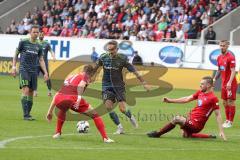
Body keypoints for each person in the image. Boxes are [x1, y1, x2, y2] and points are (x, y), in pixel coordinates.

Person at [46, 65, 114, 143]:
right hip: (72, 98)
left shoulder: (71, 76)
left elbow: (57, 94)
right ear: (91, 74)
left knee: (63, 109)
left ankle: (58, 133)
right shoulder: (85, 76)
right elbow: (81, 86)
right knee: (95, 115)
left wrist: (50, 111)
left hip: (59, 98)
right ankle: (105, 138)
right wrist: (78, 98)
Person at [94, 40, 150, 134]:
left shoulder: (122, 58)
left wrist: (143, 82)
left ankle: (131, 117)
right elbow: (95, 69)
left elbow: (133, 70)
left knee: (122, 109)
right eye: (109, 50)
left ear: (117, 49)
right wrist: (87, 78)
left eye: (112, 50)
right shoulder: (103, 57)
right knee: (108, 107)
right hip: (106, 86)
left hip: (119, 86)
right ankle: (120, 128)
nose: (110, 52)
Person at [147, 76, 226, 141]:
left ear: (208, 85)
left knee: (177, 119)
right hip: (190, 118)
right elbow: (186, 99)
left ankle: (158, 134)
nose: (200, 85)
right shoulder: (200, 92)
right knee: (185, 135)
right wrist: (170, 100)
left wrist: (221, 131)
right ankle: (208, 136)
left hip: (196, 125)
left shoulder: (213, 98)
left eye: (202, 84)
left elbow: (218, 114)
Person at [12, 25, 49, 120]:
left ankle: (28, 114)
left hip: (34, 71)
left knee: (31, 92)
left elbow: (41, 59)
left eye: (37, 32)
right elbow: (16, 54)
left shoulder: (39, 45)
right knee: (26, 90)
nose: (36, 34)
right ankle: (25, 115)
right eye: (34, 32)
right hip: (24, 70)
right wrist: (13, 67)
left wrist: (45, 72)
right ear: (30, 32)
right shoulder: (23, 42)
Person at [213, 40, 237, 128]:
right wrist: (215, 79)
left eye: (224, 46)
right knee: (224, 102)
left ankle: (230, 121)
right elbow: (219, 69)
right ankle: (227, 120)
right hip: (223, 83)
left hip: (231, 83)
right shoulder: (219, 57)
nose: (222, 47)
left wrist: (230, 82)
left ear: (227, 46)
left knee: (231, 101)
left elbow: (233, 71)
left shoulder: (231, 57)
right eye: (221, 45)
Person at [34, 31, 56, 97]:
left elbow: (51, 50)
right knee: (35, 78)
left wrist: (53, 56)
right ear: (38, 35)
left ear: (43, 36)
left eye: (42, 34)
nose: (40, 35)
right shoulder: (35, 43)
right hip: (36, 63)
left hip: (44, 64)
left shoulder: (46, 43)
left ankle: (49, 91)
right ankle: (35, 91)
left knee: (47, 77)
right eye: (40, 34)